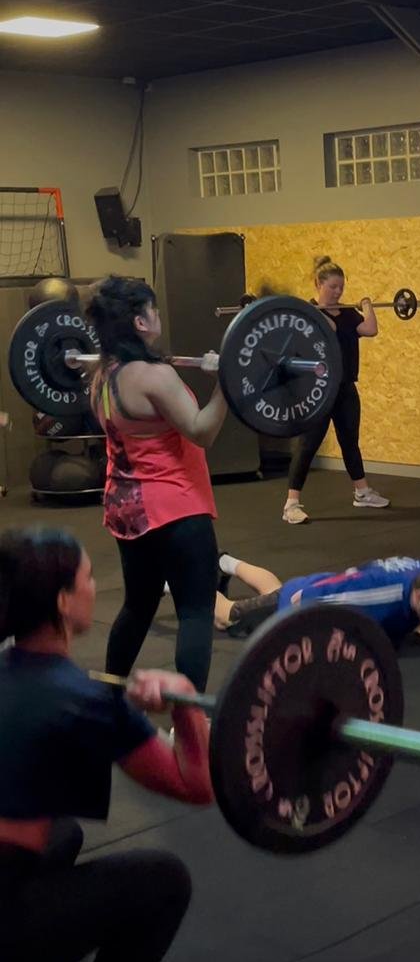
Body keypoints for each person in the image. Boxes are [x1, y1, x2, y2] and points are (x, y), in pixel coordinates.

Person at [0, 527, 214, 962]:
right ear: (65, 602)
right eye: (90, 578)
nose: (97, 586)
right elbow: (195, 785)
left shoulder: (9, 670)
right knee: (162, 881)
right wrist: (185, 705)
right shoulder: (82, 699)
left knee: (58, 833)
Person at [87, 275, 225, 691]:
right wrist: (228, 384)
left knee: (139, 604)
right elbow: (201, 430)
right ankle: (189, 724)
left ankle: (107, 697)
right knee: (196, 612)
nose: (158, 313)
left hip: (127, 511)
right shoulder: (152, 377)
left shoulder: (102, 376)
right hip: (176, 508)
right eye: (153, 308)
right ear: (139, 322)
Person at [283, 257, 388, 522]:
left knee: (350, 442)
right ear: (318, 284)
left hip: (345, 387)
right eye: (332, 286)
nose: (338, 292)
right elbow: (327, 329)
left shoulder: (349, 313)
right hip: (318, 391)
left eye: (341, 287)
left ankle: (362, 493)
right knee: (308, 445)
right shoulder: (308, 311)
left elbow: (370, 329)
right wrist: (320, 309)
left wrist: (367, 306)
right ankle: (291, 504)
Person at [214, 551, 420, 646]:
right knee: (228, 616)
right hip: (308, 596)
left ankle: (224, 562)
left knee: (275, 591)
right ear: (419, 596)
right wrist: (297, 609)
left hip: (323, 583)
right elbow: (338, 592)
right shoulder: (381, 595)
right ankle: (179, 583)